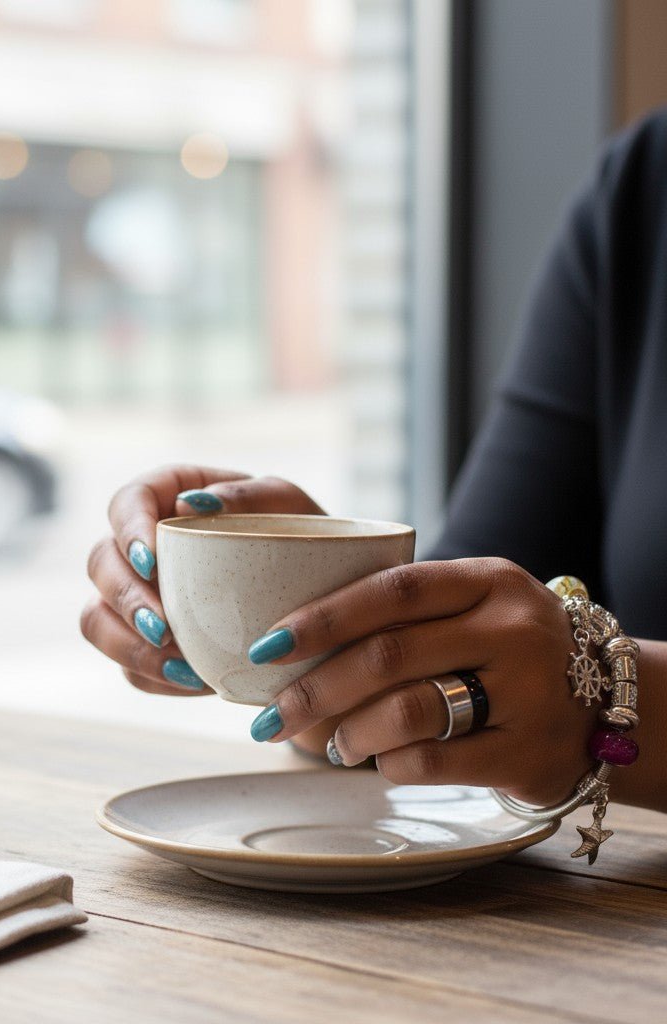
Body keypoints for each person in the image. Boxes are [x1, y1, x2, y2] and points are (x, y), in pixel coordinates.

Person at [80, 110, 667, 825]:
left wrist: (610, 697)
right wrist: (326, 620)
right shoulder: (644, 185)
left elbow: (544, 686)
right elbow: (475, 653)